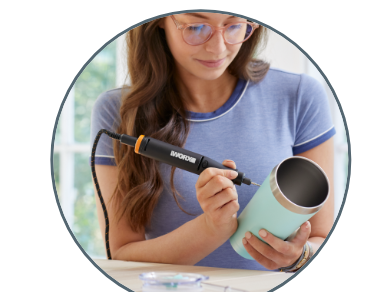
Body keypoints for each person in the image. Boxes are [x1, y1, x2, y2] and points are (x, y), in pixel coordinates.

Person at [90, 12, 335, 272]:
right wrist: (210, 229)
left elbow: (320, 237)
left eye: (234, 26)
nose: (217, 48)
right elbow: (121, 254)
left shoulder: (299, 96)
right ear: (159, 20)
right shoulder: (118, 111)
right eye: (196, 26)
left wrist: (299, 256)